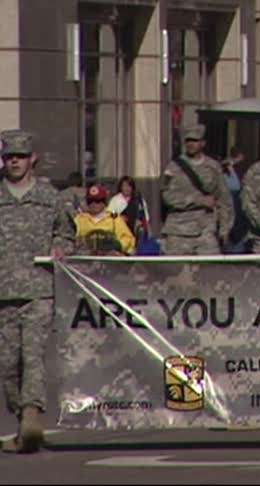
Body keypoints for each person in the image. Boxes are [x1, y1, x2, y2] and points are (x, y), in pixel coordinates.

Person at [0, 130, 74, 453]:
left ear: (33, 160)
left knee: (32, 357)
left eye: (19, 156)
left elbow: (67, 233)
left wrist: (59, 248)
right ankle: (20, 416)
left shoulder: (50, 197)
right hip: (3, 293)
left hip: (39, 290)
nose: (13, 161)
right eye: (8, 157)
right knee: (7, 364)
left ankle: (31, 417)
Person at [160, 124, 234, 255]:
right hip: (178, 232)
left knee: (210, 272)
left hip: (206, 231)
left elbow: (224, 199)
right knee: (176, 273)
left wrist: (224, 229)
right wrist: (198, 200)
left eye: (194, 140)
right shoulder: (173, 167)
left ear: (203, 143)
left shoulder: (213, 167)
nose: (190, 144)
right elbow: (167, 197)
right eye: (188, 140)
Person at [75, 184, 136, 255]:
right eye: (90, 201)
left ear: (104, 202)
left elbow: (128, 239)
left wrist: (118, 245)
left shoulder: (114, 218)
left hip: (109, 261)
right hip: (85, 260)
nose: (94, 204)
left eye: (98, 201)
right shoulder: (79, 219)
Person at [107, 176, 151, 248]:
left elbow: (145, 216)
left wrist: (142, 222)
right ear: (121, 187)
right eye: (124, 186)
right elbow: (109, 214)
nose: (127, 188)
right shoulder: (115, 199)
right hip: (120, 229)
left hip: (135, 230)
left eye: (129, 186)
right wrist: (119, 217)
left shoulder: (138, 199)